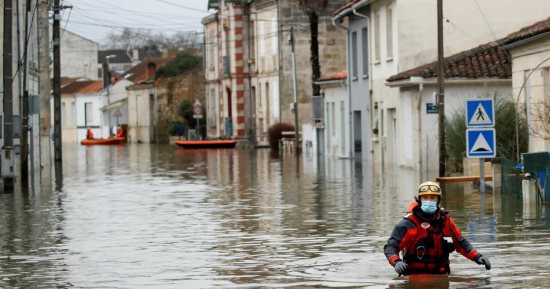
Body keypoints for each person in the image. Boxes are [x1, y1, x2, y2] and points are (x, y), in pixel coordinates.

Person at [384, 181, 491, 275]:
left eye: (433, 198)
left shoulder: (445, 221)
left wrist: (477, 256)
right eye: (425, 197)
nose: (429, 201)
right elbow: (391, 247)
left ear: (438, 200)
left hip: (441, 275)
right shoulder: (408, 223)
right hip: (414, 276)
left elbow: (461, 243)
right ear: (419, 200)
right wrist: (397, 262)